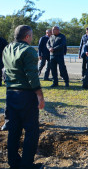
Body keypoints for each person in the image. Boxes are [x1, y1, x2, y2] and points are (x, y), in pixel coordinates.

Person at [2, 25, 45, 169]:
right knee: (31, 130)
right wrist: (40, 95)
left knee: (14, 130)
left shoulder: (7, 49)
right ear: (27, 36)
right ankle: (26, 165)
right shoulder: (29, 51)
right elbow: (32, 76)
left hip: (10, 94)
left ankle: (13, 162)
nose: (32, 38)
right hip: (26, 95)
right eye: (31, 36)